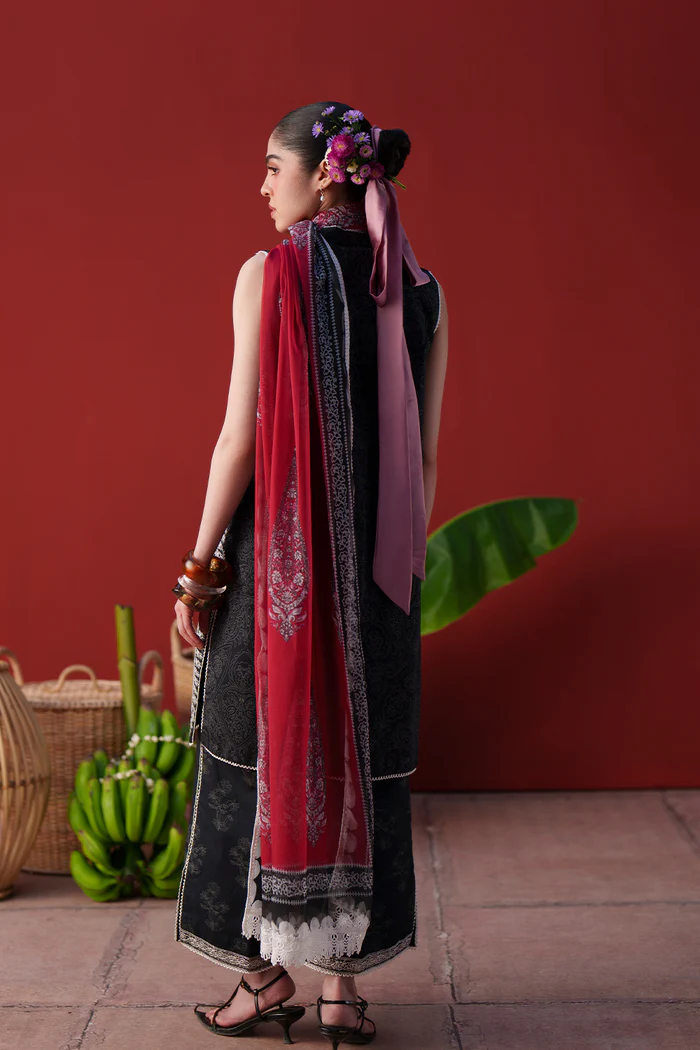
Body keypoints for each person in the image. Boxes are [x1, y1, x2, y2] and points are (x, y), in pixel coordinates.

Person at [171, 101, 449, 1046]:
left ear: (323, 172)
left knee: (248, 753)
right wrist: (390, 580)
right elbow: (425, 464)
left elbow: (238, 440)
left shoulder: (268, 274)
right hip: (381, 580)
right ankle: (340, 993)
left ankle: (260, 979)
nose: (261, 186)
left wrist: (197, 566)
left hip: (276, 583)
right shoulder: (423, 291)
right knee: (362, 768)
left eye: (270, 166)